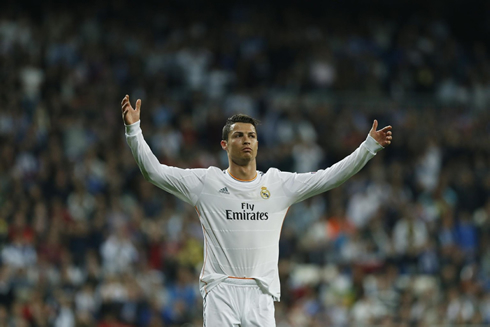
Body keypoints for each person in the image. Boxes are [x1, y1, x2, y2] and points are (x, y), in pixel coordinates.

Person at [120, 95, 393, 326]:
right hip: (221, 290)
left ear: (258, 144)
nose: (246, 140)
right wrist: (134, 131)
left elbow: (329, 177)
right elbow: (153, 172)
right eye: (238, 135)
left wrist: (368, 147)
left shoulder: (277, 184)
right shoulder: (207, 182)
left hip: (261, 293)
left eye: (251, 135)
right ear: (225, 145)